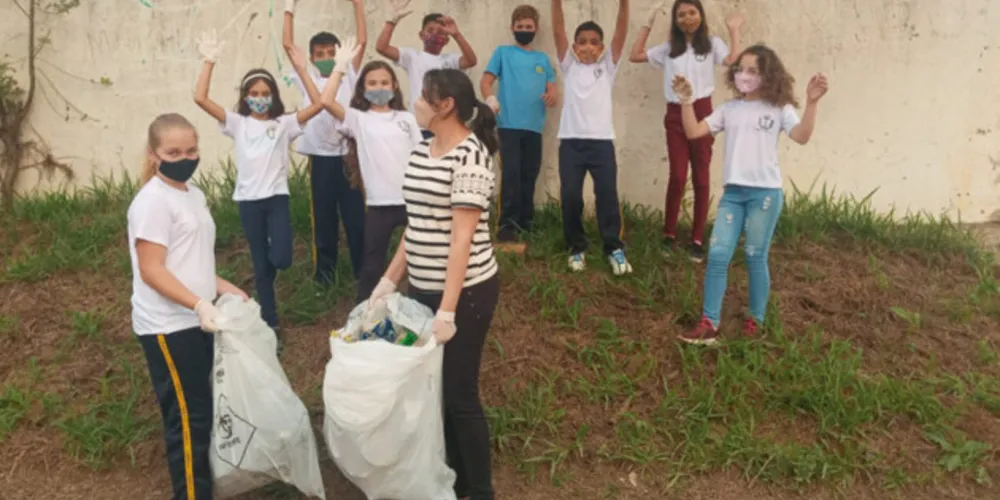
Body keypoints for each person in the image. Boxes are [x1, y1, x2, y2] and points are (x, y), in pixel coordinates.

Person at [370, 68, 500, 500]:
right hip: (422, 287)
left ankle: (479, 490)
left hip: (468, 291)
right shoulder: (422, 150)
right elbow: (418, 224)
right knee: (434, 390)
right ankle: (452, 480)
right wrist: (389, 280)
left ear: (446, 106)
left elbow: (461, 240)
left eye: (425, 97)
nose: (417, 102)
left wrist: (448, 309)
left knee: (459, 393)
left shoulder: (472, 157)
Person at [129, 113, 250, 500]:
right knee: (188, 419)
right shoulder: (152, 202)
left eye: (192, 149)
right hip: (168, 325)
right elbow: (151, 270)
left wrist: (227, 291)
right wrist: (198, 303)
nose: (185, 158)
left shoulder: (192, 194)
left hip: (199, 318)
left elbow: (191, 260)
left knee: (204, 412)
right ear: (154, 155)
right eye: (174, 151)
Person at [673, 45, 828, 344]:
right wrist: (686, 101)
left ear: (768, 75)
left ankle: (756, 322)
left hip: (765, 196)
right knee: (718, 255)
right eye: (741, 69)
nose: (745, 75)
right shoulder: (729, 110)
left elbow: (802, 136)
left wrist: (811, 103)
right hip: (733, 195)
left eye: (753, 70)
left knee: (755, 256)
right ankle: (709, 323)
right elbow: (693, 131)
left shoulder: (779, 109)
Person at [193, 30, 323, 352]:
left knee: (281, 259)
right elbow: (200, 99)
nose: (260, 97)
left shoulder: (284, 124)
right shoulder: (238, 123)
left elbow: (319, 103)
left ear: (273, 95)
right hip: (248, 202)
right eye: (254, 92)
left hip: (276, 200)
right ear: (246, 96)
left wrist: (303, 69)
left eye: (265, 92)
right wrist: (209, 61)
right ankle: (271, 322)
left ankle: (269, 253)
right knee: (262, 269)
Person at [629, 0, 743, 262]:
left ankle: (697, 238)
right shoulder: (670, 48)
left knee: (701, 177)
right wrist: (647, 23)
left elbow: (732, 61)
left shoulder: (711, 44)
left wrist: (734, 30)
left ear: (700, 15)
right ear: (675, 20)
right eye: (681, 15)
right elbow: (635, 56)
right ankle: (669, 234)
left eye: (692, 12)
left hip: (703, 113)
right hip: (675, 114)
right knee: (678, 176)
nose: (687, 18)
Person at [318, 38, 423, 304]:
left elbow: (422, 157)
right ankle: (366, 317)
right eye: (372, 83)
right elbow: (326, 100)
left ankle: (419, 312)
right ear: (363, 89)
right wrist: (340, 68)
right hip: (379, 206)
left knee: (421, 262)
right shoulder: (358, 119)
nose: (379, 88)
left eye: (385, 82)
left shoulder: (406, 119)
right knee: (372, 267)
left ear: (395, 86)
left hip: (413, 202)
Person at [282, 0, 367, 286]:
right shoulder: (305, 76)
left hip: (349, 157)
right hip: (320, 158)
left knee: (356, 218)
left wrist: (358, 6)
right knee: (324, 217)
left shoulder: (349, 75)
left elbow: (363, 40)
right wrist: (289, 9)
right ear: (311, 57)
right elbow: (287, 45)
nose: (327, 58)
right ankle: (325, 276)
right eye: (321, 54)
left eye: (332, 52)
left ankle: (362, 271)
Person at [550, 0, 633, 276]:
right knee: (571, 195)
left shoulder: (608, 67)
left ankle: (614, 247)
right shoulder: (568, 66)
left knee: (607, 194)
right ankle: (577, 247)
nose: (588, 47)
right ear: (574, 47)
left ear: (601, 47)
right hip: (571, 143)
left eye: (594, 42)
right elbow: (558, 31)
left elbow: (621, 32)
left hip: (601, 144)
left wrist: (624, 5)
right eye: (582, 42)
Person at [481, 4, 558, 247]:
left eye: (529, 27)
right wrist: (490, 98)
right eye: (520, 26)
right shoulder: (503, 53)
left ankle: (526, 222)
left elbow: (552, 91)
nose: (524, 30)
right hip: (508, 125)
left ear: (535, 29)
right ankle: (506, 225)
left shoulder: (542, 59)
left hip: (534, 127)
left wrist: (551, 97)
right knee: (511, 174)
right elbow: (486, 81)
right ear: (512, 28)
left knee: (529, 174)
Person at [375, 0, 478, 138]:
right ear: (421, 35)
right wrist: (391, 22)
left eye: (441, 32)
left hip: (445, 125)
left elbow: (471, 61)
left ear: (447, 40)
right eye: (430, 30)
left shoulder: (450, 60)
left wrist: (457, 35)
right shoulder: (412, 57)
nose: (435, 34)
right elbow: (382, 48)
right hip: (420, 127)